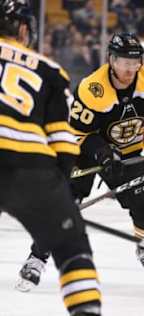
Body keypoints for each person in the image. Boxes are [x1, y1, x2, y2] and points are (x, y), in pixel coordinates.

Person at [16, 32, 144, 291]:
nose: (130, 69)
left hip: (127, 152)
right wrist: (103, 154)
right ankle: (37, 258)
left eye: (135, 62)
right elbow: (77, 133)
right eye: (124, 62)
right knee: (64, 206)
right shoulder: (93, 88)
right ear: (111, 60)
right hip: (84, 152)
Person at [0, 1, 102, 315]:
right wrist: (58, 189)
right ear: (23, 28)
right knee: (71, 247)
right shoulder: (49, 70)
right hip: (29, 165)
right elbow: (63, 139)